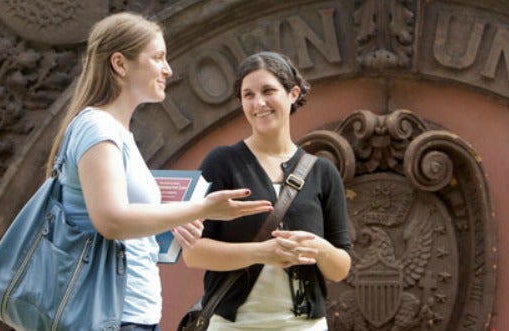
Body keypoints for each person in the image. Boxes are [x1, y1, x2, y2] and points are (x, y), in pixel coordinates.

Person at [45, 12, 273, 331]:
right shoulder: (97, 128)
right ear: (120, 64)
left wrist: (175, 222)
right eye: (158, 58)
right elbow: (110, 220)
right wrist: (203, 208)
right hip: (107, 315)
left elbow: (122, 220)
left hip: (133, 312)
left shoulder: (117, 131)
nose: (168, 69)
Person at [181, 51, 352, 330]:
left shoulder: (323, 172)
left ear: (293, 93)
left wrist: (318, 248)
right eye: (248, 95)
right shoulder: (221, 163)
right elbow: (193, 252)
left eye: (268, 91)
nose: (258, 103)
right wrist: (261, 252)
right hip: (233, 326)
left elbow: (341, 266)